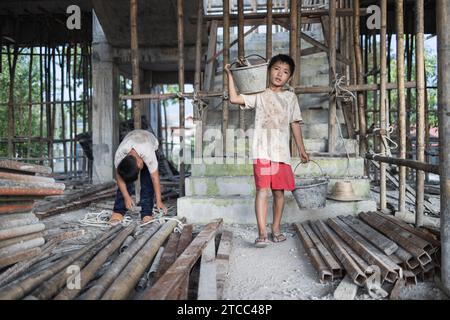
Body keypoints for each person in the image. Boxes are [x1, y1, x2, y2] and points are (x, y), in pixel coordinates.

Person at [224, 54, 309, 247]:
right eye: (276, 68)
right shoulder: (260, 94)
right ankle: (262, 232)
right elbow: (234, 98)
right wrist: (230, 74)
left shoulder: (290, 98)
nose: (280, 74)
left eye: (285, 71)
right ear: (268, 70)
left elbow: (295, 123)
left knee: (279, 193)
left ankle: (275, 228)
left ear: (289, 78)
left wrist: (302, 149)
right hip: (262, 151)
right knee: (262, 191)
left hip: (281, 154)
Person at [109, 129, 168, 225]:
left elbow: (155, 179)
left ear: (140, 163)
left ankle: (146, 213)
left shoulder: (148, 154)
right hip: (132, 139)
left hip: (149, 141)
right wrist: (126, 196)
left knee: (147, 182)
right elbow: (119, 178)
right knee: (125, 176)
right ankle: (118, 211)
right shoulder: (119, 155)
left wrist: (159, 201)